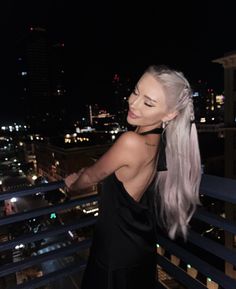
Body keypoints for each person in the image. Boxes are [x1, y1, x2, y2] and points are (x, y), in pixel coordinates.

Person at [65, 65, 202, 289]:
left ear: (169, 114)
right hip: (138, 244)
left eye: (148, 102)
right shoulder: (158, 141)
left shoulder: (131, 141)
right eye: (136, 91)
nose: (133, 103)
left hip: (114, 250)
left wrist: (73, 184)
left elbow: (90, 177)